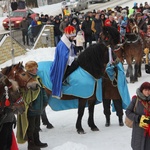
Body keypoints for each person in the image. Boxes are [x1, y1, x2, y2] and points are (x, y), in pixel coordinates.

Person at [16, 61, 48, 150]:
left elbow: (42, 90)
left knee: (37, 125)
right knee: (31, 127)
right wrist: (29, 102)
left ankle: (37, 141)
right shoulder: (26, 79)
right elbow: (24, 93)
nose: (36, 69)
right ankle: (31, 144)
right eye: (35, 68)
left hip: (38, 107)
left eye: (36, 68)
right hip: (31, 107)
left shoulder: (37, 77)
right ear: (30, 69)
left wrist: (45, 101)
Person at [50, 25, 79, 98]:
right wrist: (72, 58)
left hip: (69, 58)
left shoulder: (69, 41)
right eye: (72, 36)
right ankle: (63, 78)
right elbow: (64, 57)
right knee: (75, 64)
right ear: (69, 36)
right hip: (63, 61)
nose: (73, 38)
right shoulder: (63, 44)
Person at [125, 82, 150, 150]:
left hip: (149, 131)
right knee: (138, 146)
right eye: (145, 90)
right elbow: (128, 112)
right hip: (139, 130)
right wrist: (138, 118)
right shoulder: (135, 100)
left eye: (149, 90)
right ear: (142, 90)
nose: (147, 92)